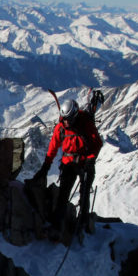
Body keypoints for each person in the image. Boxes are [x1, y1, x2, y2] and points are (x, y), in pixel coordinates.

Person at [32, 91, 103, 233]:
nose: (66, 122)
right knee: (63, 194)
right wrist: (46, 165)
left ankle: (82, 221)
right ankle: (57, 224)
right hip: (69, 163)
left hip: (84, 162)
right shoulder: (61, 128)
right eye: (65, 119)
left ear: (75, 115)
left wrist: (90, 159)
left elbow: (97, 143)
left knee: (84, 193)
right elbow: (53, 147)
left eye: (69, 119)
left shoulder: (85, 124)